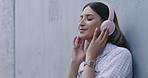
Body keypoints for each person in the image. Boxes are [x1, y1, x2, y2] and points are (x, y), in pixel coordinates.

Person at [67, 1, 133, 78]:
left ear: (106, 25)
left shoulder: (120, 55)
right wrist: (74, 62)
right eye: (81, 18)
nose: (81, 23)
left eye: (89, 19)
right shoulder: (83, 62)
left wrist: (91, 58)